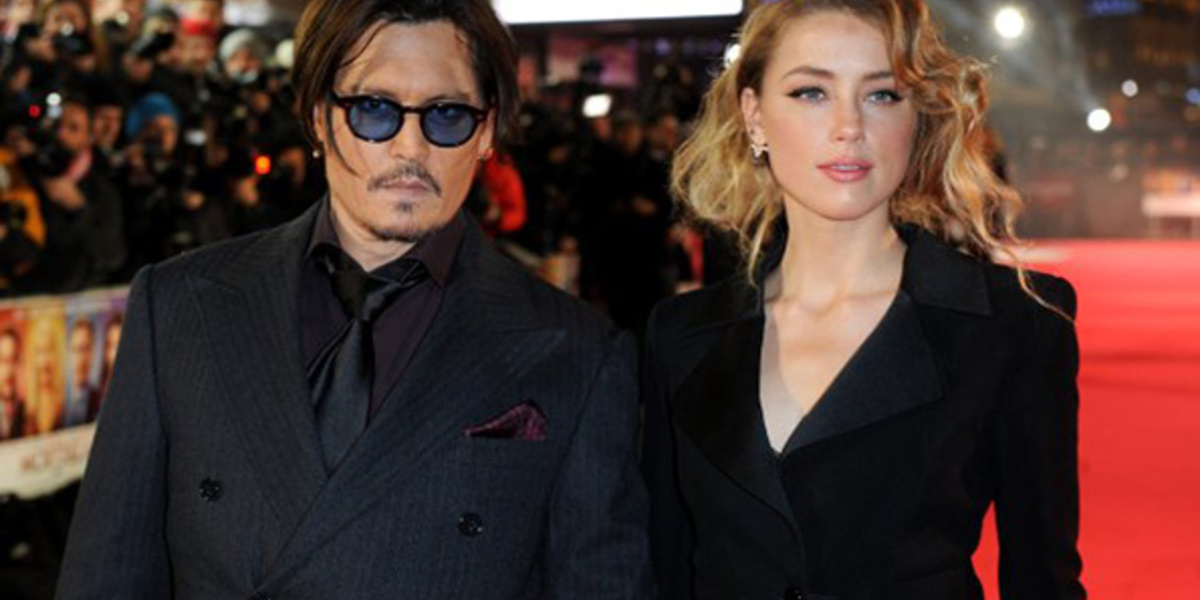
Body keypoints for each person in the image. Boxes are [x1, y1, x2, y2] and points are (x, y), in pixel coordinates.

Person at [56, 0, 652, 598]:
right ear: (318, 117)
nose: (410, 149)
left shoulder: (579, 354)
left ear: (488, 130)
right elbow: (106, 575)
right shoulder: (181, 305)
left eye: (447, 115)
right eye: (375, 110)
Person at [642, 1, 1085, 599]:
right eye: (811, 93)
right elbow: (664, 567)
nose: (848, 126)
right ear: (754, 116)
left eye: (882, 95)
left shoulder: (1014, 324)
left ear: (917, 117)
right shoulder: (681, 336)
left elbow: (1043, 580)